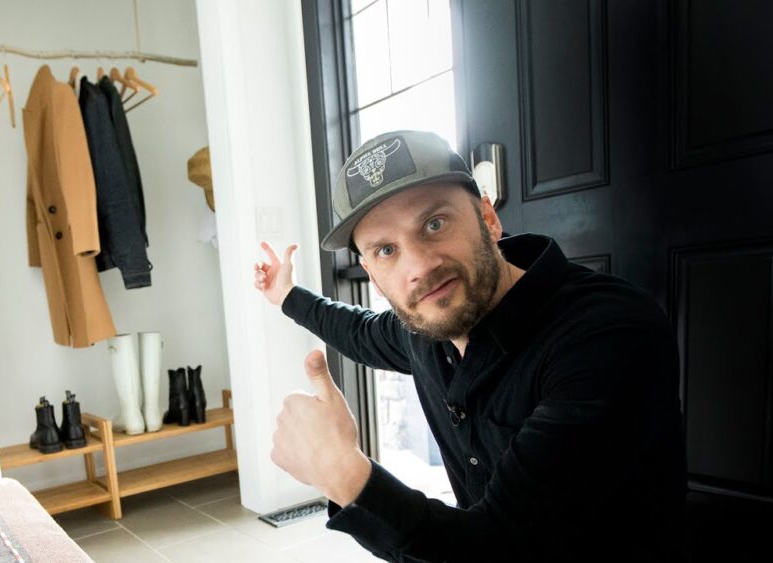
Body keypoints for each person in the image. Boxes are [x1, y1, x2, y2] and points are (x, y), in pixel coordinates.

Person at [254, 130, 687, 562]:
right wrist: (285, 294)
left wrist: (345, 477)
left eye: (434, 224)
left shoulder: (607, 335)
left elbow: (505, 548)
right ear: (373, 277)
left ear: (488, 218)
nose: (420, 266)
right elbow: (359, 332)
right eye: (386, 250)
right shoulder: (424, 329)